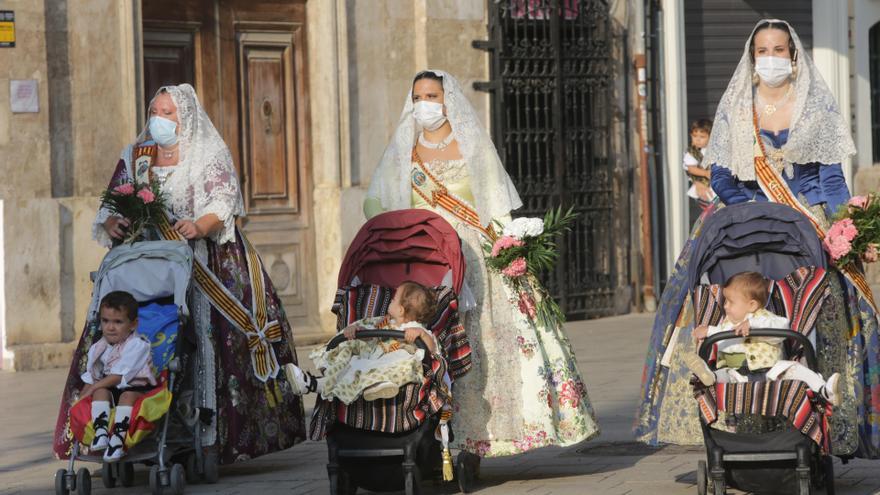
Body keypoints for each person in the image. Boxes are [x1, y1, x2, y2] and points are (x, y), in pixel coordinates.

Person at [635, 19, 880, 458]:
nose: (771, 58)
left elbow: (831, 181)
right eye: (762, 51)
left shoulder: (816, 110)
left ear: (793, 56)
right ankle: (729, 409)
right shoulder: (736, 110)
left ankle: (824, 415)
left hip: (808, 221)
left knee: (826, 305)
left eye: (779, 50)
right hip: (745, 219)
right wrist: (758, 210)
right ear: (752, 59)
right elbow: (722, 178)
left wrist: (847, 227)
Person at [54, 84, 305, 464]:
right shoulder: (136, 155)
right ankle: (117, 427)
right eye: (155, 111)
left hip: (202, 260)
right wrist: (112, 222)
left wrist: (200, 225)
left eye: (168, 113)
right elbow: (111, 202)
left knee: (204, 342)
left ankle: (207, 434)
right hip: (142, 264)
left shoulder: (206, 153)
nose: (159, 119)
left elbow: (223, 201)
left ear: (184, 117)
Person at [363, 70, 599, 460]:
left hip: (474, 255)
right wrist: (396, 232)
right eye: (418, 97)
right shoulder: (404, 151)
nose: (424, 104)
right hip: (427, 256)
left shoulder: (471, 144)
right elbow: (374, 202)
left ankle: (484, 435)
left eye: (432, 96)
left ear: (448, 100)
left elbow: (495, 201)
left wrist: (510, 247)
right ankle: (431, 429)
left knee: (484, 340)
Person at [681, 272, 840, 405]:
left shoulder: (765, 318)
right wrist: (708, 330)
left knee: (794, 368)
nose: (725, 306)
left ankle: (824, 390)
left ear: (751, 305)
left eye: (730, 302)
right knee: (724, 373)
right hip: (739, 376)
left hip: (772, 373)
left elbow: (782, 326)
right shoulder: (727, 324)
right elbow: (721, 332)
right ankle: (709, 376)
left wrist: (752, 325)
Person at [284, 281, 439, 404]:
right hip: (371, 362)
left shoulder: (416, 328)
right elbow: (371, 333)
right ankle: (310, 383)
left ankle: (313, 384)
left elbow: (432, 350)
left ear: (400, 310)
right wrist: (358, 330)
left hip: (391, 366)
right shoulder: (386, 322)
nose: (390, 301)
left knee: (398, 364)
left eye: (394, 299)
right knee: (352, 368)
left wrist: (422, 335)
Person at [80, 291, 156, 461]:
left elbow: (118, 376)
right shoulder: (98, 347)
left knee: (124, 395)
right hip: (111, 390)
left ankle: (117, 440)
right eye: (105, 321)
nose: (110, 327)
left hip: (136, 390)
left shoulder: (137, 345)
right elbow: (92, 376)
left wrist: (93, 387)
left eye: (118, 322)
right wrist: (83, 396)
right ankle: (101, 433)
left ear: (133, 324)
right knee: (99, 392)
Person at [683, 119, 716, 212]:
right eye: (694, 136)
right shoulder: (692, 152)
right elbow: (691, 169)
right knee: (709, 205)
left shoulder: (714, 150)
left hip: (714, 185)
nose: (697, 139)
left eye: (702, 137)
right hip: (703, 185)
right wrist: (705, 173)